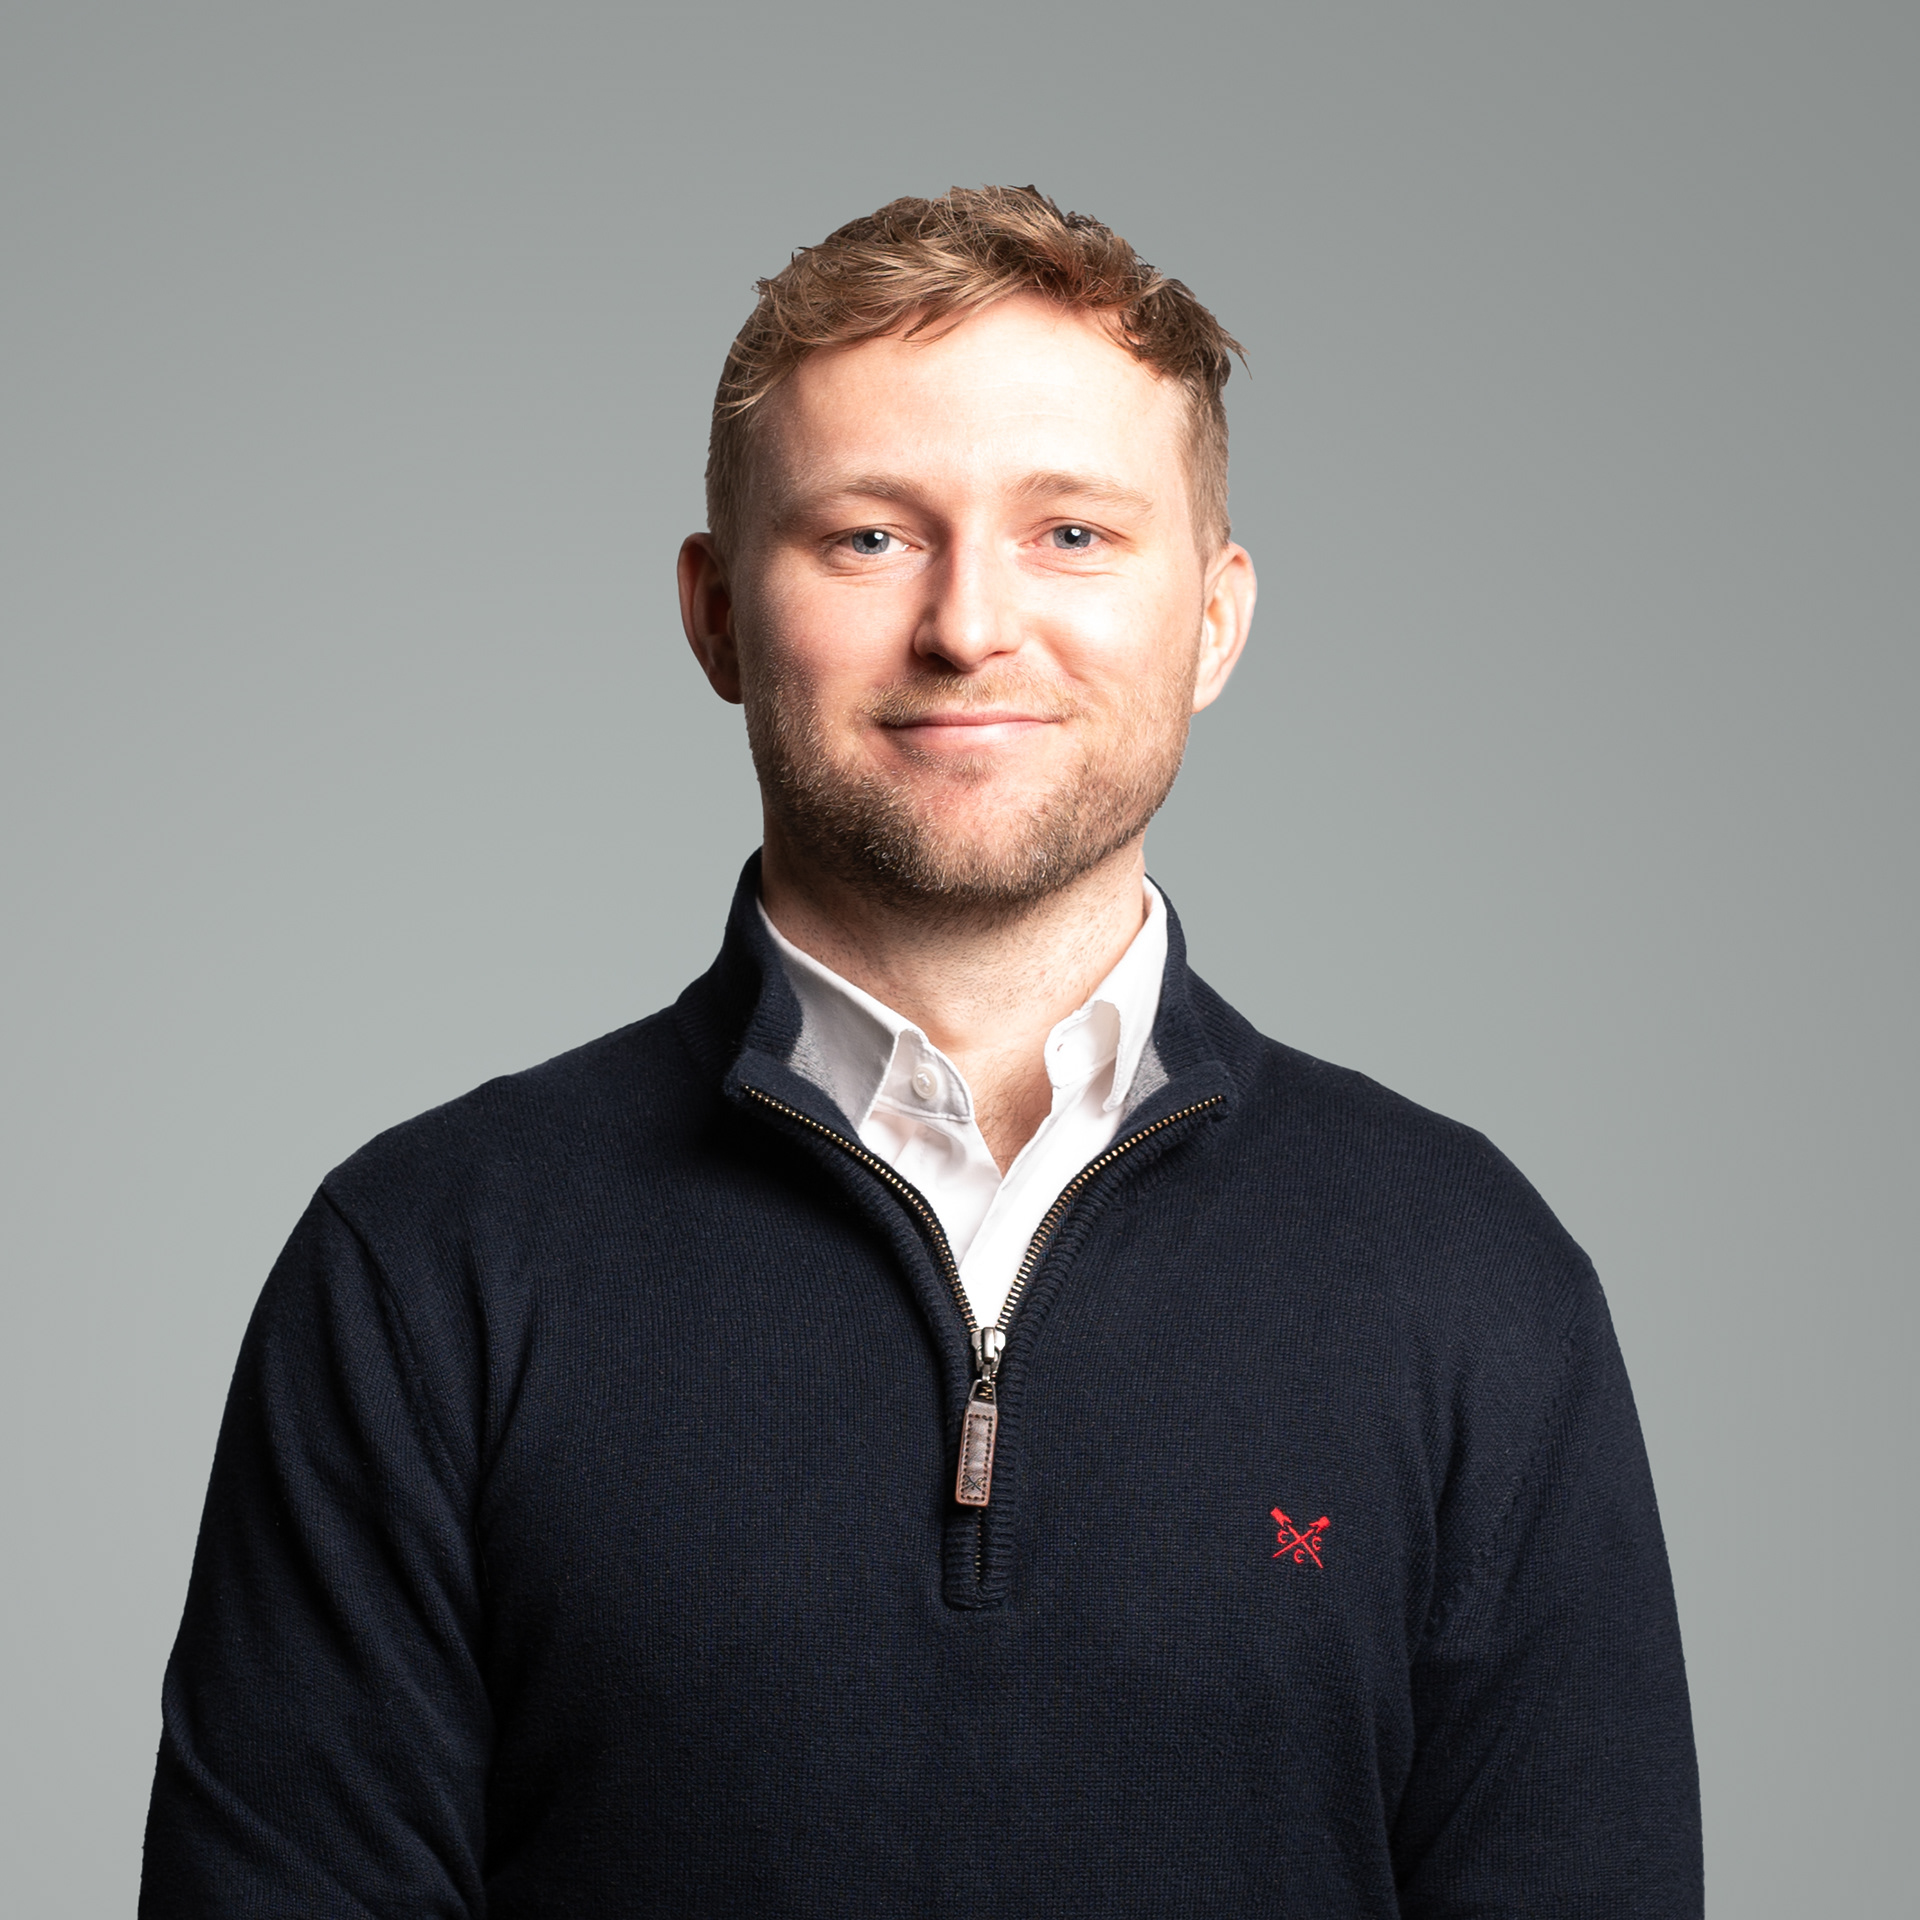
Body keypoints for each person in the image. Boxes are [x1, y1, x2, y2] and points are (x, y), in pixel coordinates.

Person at [140, 186, 1702, 1918]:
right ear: (717, 612)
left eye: (1075, 536)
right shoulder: (423, 1265)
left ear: (1216, 617)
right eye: (870, 537)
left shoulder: (1468, 1273)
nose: (969, 625)